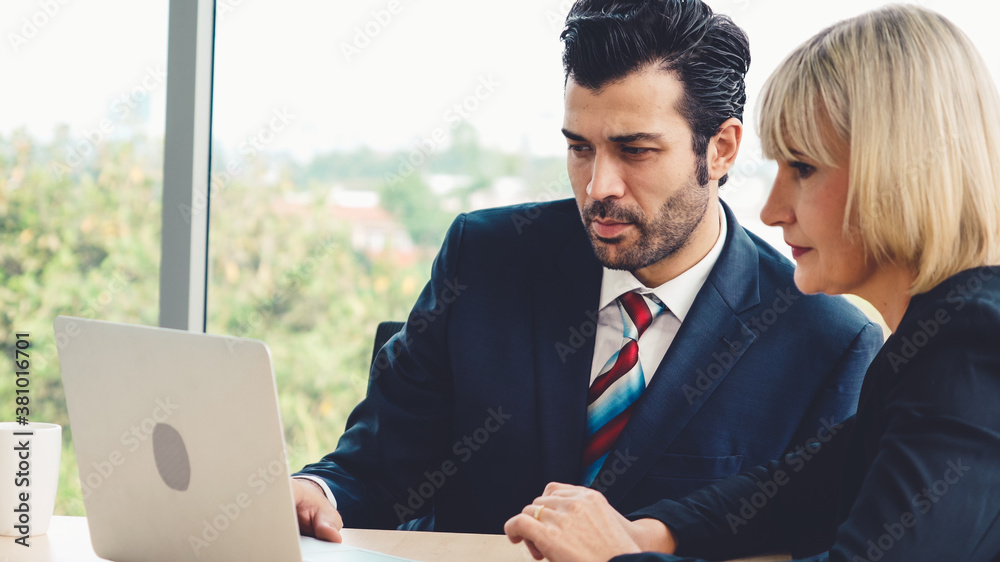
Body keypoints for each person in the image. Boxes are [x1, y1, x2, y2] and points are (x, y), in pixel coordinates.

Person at [291, 0, 882, 542]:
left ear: (721, 149)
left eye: (635, 151)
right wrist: (316, 493)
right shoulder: (484, 258)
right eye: (580, 148)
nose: (599, 187)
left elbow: (812, 550)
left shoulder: (826, 342)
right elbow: (376, 466)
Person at [504, 4, 1000, 561]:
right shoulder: (934, 339)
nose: (770, 210)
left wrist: (614, 559)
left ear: (901, 172)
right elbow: (805, 491)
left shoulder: (973, 348)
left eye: (804, 169)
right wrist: (650, 534)